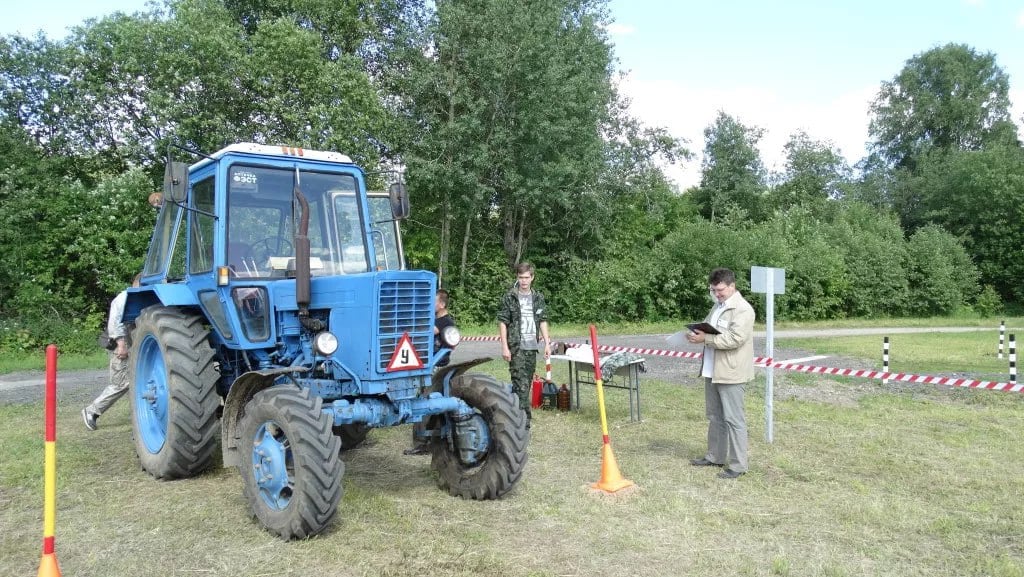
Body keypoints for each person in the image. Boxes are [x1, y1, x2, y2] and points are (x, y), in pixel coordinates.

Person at [686, 267, 755, 479]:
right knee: (715, 416)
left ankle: (737, 465)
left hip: (731, 372)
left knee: (734, 420)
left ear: (732, 286)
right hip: (712, 370)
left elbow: (735, 339)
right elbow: (711, 329)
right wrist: (696, 333)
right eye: (713, 290)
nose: (717, 294)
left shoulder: (743, 309)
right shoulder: (718, 306)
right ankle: (715, 456)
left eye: (720, 290)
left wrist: (705, 339)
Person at [82, 274, 141, 431]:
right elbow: (115, 323)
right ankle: (91, 411)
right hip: (120, 346)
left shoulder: (137, 298)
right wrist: (121, 345)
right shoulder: (123, 299)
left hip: (131, 345)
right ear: (136, 283)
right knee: (121, 383)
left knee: (136, 381)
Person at [497, 262, 551, 428]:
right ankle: (523, 422)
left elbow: (542, 321)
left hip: (531, 347)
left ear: (532, 278)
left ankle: (512, 412)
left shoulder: (538, 297)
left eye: (527, 277)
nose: (524, 281)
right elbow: (503, 322)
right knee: (520, 384)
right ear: (517, 278)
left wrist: (547, 344)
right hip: (516, 347)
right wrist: (505, 347)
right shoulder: (509, 297)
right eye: (521, 277)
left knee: (524, 384)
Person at [404, 289, 457, 455]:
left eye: (433, 302)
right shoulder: (438, 319)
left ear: (441, 304)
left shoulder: (444, 322)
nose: (431, 305)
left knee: (424, 400)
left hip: (436, 365)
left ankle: (422, 442)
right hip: (433, 364)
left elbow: (427, 331)